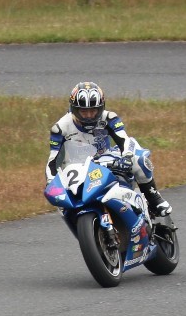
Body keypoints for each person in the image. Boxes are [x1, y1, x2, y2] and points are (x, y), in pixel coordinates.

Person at [45, 81, 172, 219]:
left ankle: (154, 198)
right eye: (84, 111)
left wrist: (127, 156)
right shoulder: (60, 127)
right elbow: (53, 159)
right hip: (77, 167)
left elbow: (124, 139)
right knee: (62, 198)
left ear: (101, 108)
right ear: (74, 109)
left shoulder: (109, 118)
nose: (89, 116)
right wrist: (51, 181)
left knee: (139, 160)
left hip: (106, 158)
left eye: (93, 111)